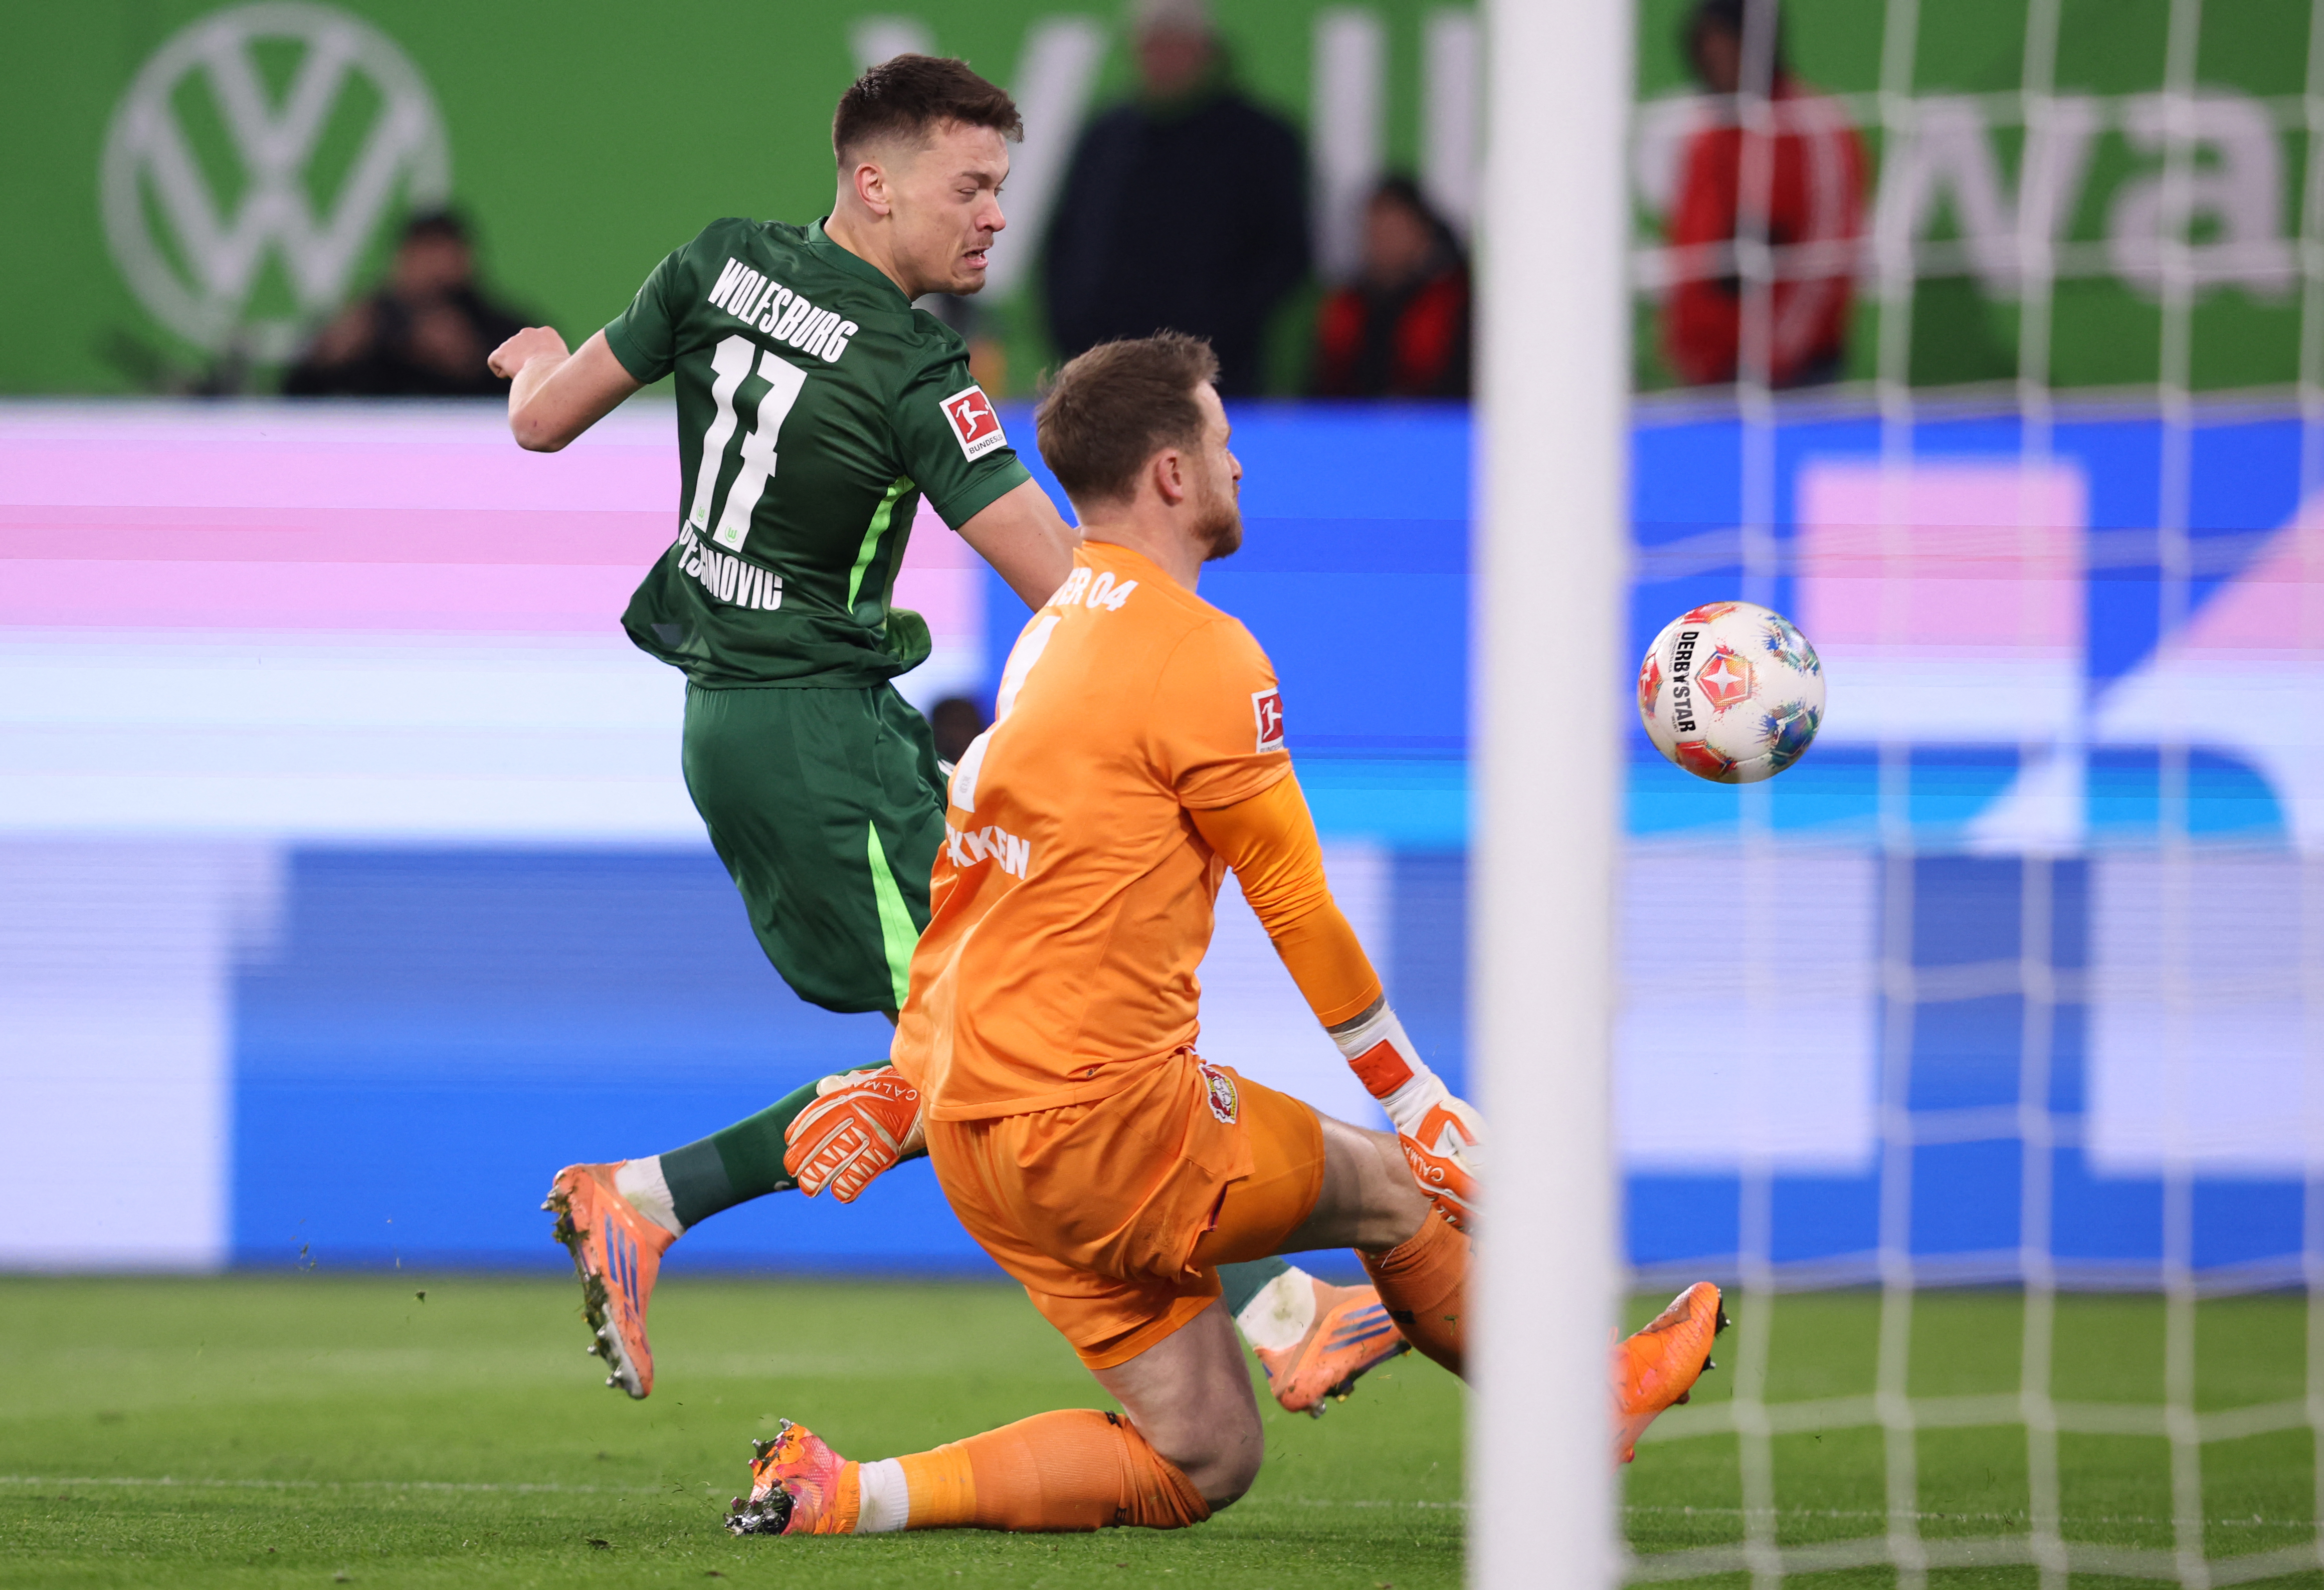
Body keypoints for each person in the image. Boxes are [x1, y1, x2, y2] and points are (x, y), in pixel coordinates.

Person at [484, 55, 1404, 1420]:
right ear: (873, 180)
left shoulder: (714, 262)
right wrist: (1190, 674)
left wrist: (540, 359)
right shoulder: (917, 369)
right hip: (821, 751)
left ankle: (1284, 1310)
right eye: (969, 187)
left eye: (1001, 190)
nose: (992, 220)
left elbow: (542, 425)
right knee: (992, 1069)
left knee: (1020, 1060)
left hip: (770, 725)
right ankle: (641, 1198)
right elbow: (1071, 580)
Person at [723, 333, 1726, 1538]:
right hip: (1099, 1121)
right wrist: (1417, 1099)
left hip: (985, 1143)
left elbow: (978, 877)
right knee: (1399, 1186)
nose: (1238, 463)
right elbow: (1293, 901)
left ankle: (852, 1494)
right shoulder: (1199, 652)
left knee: (1202, 1453)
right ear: (1168, 475)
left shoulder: (1055, 632)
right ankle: (1586, 1407)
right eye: (1220, 439)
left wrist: (911, 1084)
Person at [1042, 0, 1308, 396]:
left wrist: (1217, 330)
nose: (1163, 58)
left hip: (1220, 378)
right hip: (1113, 376)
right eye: (1154, 44)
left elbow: (1286, 253)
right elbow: (1065, 243)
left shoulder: (1260, 140)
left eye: (1176, 43)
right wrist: (1078, 329)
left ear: (1206, 50)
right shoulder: (1108, 139)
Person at [1662, 0, 1865, 388]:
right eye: (1706, 46)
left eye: (1728, 44)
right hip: (1706, 377)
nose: (1715, 57)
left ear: (1761, 45)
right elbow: (1689, 255)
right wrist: (1687, 350)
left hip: (1790, 380)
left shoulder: (1810, 128)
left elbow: (1827, 258)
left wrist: (1769, 358)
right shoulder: (1706, 131)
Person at [284, 211, 529, 396]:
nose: (432, 267)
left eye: (441, 251)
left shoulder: (501, 330)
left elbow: (537, 406)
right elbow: (292, 398)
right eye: (422, 252)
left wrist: (472, 364)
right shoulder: (368, 320)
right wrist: (326, 358)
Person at [1311, 176, 1471, 399]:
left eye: (1395, 229)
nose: (1383, 241)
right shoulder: (1347, 308)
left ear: (1422, 233)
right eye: (1374, 230)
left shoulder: (1451, 303)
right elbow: (1322, 391)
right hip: (1357, 428)